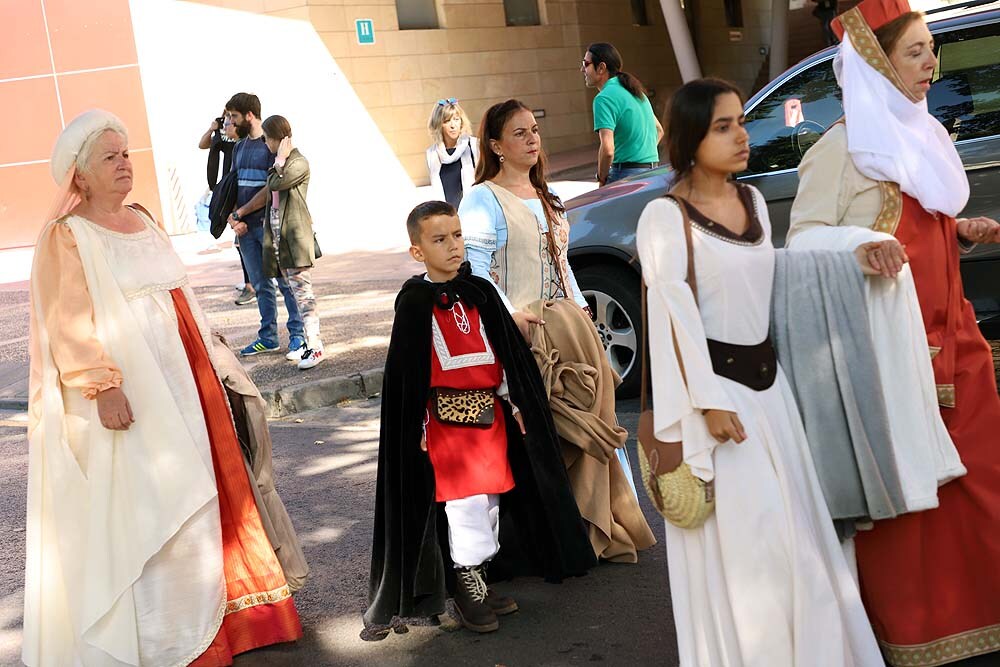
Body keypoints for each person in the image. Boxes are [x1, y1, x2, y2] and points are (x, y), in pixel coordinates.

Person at [23, 109, 303, 666]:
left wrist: (212, 354)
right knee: (155, 504)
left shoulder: (145, 219)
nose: (125, 163)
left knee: (208, 488)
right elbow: (66, 321)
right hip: (134, 394)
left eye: (126, 153)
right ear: (79, 174)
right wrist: (101, 386)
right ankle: (167, 633)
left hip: (187, 380)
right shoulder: (68, 237)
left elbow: (175, 298)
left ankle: (232, 615)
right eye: (110, 156)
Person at [637, 78, 886, 666]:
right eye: (723, 126)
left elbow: (772, 276)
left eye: (741, 122)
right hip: (716, 406)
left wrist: (850, 259)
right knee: (754, 551)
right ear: (691, 138)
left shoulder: (751, 203)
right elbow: (670, 320)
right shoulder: (662, 217)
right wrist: (706, 405)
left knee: (799, 543)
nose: (742, 136)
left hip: (772, 400)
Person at [788, 1, 1000, 663]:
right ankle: (920, 644)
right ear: (877, 62)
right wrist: (857, 248)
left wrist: (954, 234)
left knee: (984, 498)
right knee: (912, 519)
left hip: (959, 354)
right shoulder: (837, 154)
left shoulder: (920, 138)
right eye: (915, 52)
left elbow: (917, 233)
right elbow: (802, 249)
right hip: (891, 368)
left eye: (931, 49)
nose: (931, 63)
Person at [363, 201, 595, 637]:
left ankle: (477, 577)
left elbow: (505, 358)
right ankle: (465, 586)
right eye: (439, 240)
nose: (452, 246)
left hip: (489, 416)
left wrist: (519, 403)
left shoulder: (480, 292)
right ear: (418, 252)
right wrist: (415, 428)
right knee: (466, 504)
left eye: (456, 236)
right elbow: (407, 376)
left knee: (490, 500)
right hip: (446, 424)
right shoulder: (414, 304)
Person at [459, 99, 656, 563]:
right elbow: (479, 271)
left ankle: (606, 525)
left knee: (595, 420)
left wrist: (583, 311)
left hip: (569, 325)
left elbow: (562, 262)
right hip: (525, 330)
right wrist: (512, 317)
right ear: (496, 145)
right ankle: (560, 536)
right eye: (520, 133)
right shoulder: (483, 198)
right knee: (553, 432)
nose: (532, 139)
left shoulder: (547, 195)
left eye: (534, 130)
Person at [224, 92, 306, 360]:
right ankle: (268, 337)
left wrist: (243, 212)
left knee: (285, 283)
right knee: (260, 285)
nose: (231, 122)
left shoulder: (269, 146)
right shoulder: (239, 147)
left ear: (249, 115)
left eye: (234, 116)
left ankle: (298, 335)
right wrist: (233, 218)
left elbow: (270, 188)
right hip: (244, 228)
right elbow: (235, 184)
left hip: (268, 226)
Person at [262, 115, 325, 370]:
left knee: (303, 294)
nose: (266, 143)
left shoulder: (298, 162)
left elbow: (278, 182)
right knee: (295, 294)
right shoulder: (281, 163)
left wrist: (279, 163)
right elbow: (271, 183)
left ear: (278, 138)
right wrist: (277, 164)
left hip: (295, 240)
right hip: (280, 240)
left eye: (267, 139)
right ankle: (308, 345)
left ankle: (316, 346)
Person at [581, 43, 663, 185]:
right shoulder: (636, 91)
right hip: (652, 173)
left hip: (625, 175)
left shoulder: (604, 98)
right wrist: (640, 154)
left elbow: (607, 150)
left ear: (601, 68)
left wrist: (601, 178)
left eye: (586, 64)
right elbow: (659, 130)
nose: (582, 69)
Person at [199, 111, 256, 306]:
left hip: (242, 196)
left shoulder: (247, 144)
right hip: (230, 194)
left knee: (245, 241)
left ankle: (253, 284)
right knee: (242, 242)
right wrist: (212, 129)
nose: (227, 124)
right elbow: (203, 145)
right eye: (226, 120)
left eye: (231, 120)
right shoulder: (228, 140)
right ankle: (254, 281)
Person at [426, 98, 480, 208]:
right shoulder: (432, 154)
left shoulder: (474, 146)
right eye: (447, 121)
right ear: (439, 124)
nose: (453, 125)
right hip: (447, 215)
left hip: (474, 210)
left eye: (456, 119)